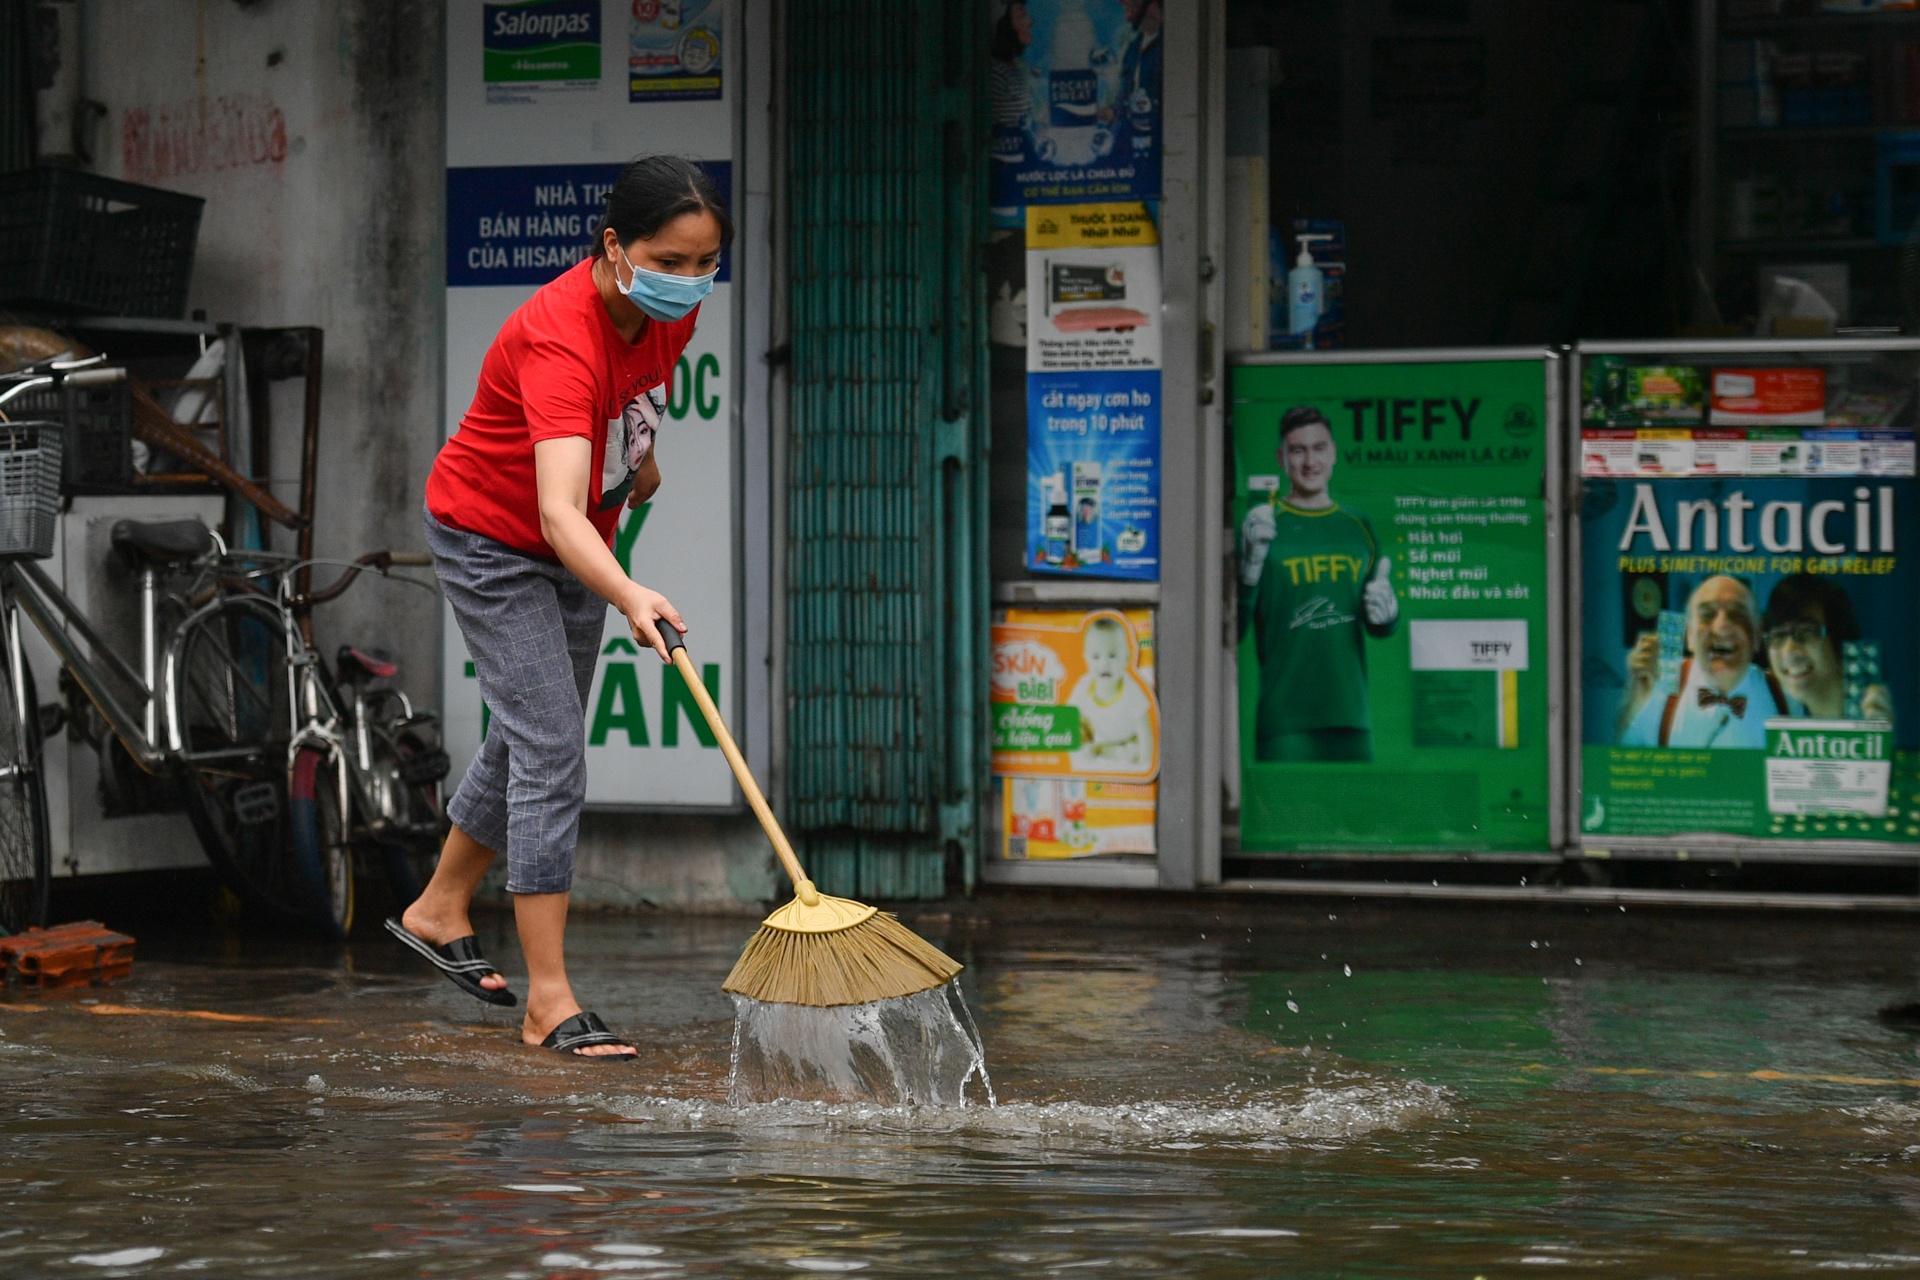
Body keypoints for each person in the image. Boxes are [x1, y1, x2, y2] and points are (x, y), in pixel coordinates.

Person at [390, 156, 729, 1059]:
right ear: (615, 247)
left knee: (529, 730)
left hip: (580, 535)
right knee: (549, 744)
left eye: (706, 264)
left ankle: (438, 904)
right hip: (493, 538)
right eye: (672, 260)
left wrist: (638, 454)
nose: (691, 283)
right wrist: (627, 591)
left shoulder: (673, 308)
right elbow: (553, 509)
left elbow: (638, 405)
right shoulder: (558, 337)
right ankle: (549, 1000)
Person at [1239, 405, 1398, 762]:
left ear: (1334, 453)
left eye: (1319, 448)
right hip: (1285, 723)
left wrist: (1388, 616)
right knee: (1287, 819)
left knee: (1356, 819)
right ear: (1282, 459)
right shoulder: (1262, 524)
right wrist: (1248, 573)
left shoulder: (1359, 525)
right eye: (1298, 450)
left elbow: (1379, 624)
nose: (1310, 461)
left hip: (1351, 719)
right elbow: (1232, 631)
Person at [1619, 575, 1782, 749]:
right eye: (1707, 615)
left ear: (1757, 634)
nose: (1721, 627)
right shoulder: (1657, 690)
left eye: (1737, 615)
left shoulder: (1785, 696)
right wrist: (1632, 700)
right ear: (1689, 635)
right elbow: (1620, 757)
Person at [1762, 573, 1894, 725]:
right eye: (1778, 635)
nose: (1789, 650)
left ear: (1839, 638)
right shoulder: (1779, 721)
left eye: (1806, 632)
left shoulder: (1880, 711)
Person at [1066, 615, 1152, 772]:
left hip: (1127, 739)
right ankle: (1098, 749)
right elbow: (1069, 713)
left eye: (1112, 655)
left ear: (1126, 657)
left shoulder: (1130, 690)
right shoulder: (1085, 685)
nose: (1104, 663)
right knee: (1078, 734)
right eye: (1096, 656)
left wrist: (1145, 763)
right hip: (1099, 735)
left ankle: (1107, 751)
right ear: (1086, 659)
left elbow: (1144, 728)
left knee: (1133, 750)